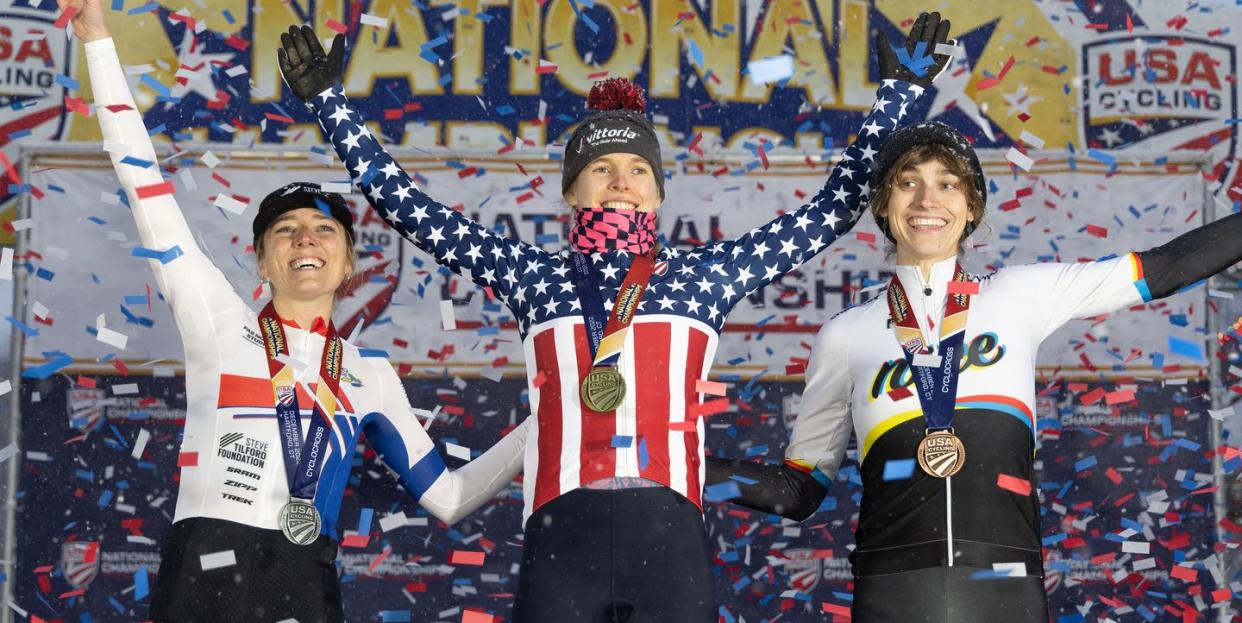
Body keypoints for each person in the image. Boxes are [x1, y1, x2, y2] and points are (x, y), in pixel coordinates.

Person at [277, 13, 951, 621]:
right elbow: (408, 206)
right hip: (559, 532)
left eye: (636, 168)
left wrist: (899, 94)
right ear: (571, 189)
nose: (621, 179)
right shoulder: (532, 275)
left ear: (658, 192)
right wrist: (329, 104)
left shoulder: (702, 276)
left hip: (670, 535)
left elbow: (831, 210)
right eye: (601, 167)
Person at [65, 1, 529, 621]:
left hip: (304, 578)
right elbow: (140, 176)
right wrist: (96, 39)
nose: (305, 239)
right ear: (261, 261)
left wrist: (550, 417)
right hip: (204, 566)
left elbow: (448, 497)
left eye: (323, 230)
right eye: (285, 231)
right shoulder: (217, 320)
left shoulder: (371, 376)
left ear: (349, 265)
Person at [705, 117, 1242, 620]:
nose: (926, 199)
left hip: (1005, 579)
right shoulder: (845, 335)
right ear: (884, 206)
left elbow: (1166, 269)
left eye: (947, 183)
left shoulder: (1020, 295)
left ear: (972, 208)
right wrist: (676, 463)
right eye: (907, 182)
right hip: (893, 586)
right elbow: (797, 493)